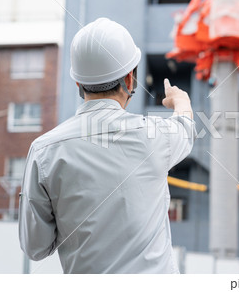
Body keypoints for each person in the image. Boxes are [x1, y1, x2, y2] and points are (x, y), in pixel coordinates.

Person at [18, 18, 196, 273]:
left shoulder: (43, 151)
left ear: (78, 84)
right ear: (129, 80)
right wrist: (181, 100)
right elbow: (185, 129)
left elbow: (35, 247)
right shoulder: (158, 135)